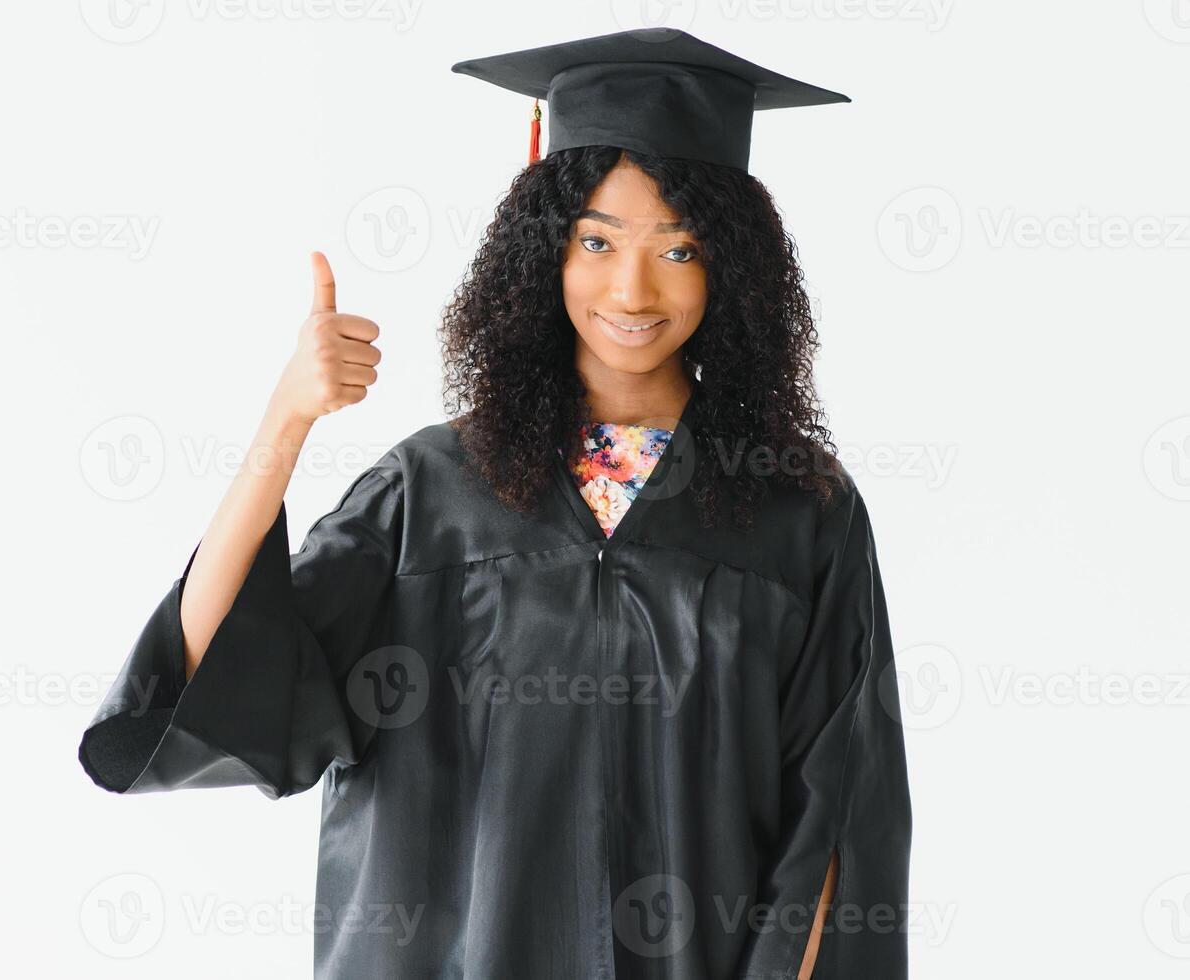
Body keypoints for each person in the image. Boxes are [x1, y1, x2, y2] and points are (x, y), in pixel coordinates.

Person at [78, 28, 911, 980]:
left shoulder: (800, 513)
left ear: (735, 269)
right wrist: (287, 419)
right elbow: (228, 676)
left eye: (678, 249)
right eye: (596, 240)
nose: (631, 289)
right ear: (541, 252)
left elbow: (835, 821)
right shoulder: (430, 493)